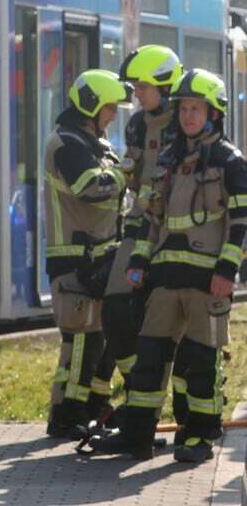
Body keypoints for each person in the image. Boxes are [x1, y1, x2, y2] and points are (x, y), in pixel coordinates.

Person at [90, 69, 246, 462]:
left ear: (214, 113)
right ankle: (136, 437)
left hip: (208, 283)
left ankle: (199, 438)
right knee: (148, 363)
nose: (188, 116)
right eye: (184, 109)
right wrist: (139, 262)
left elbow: (242, 223)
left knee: (200, 365)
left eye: (196, 109)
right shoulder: (170, 161)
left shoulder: (231, 162)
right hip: (164, 280)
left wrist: (227, 272)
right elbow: (152, 219)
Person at [92, 46, 182, 420]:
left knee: (165, 327)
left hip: (170, 233)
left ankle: (167, 411)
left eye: (143, 86)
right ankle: (136, 386)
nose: (136, 95)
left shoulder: (185, 122)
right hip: (137, 228)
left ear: (164, 85)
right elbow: (132, 170)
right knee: (115, 308)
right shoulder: (137, 124)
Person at [43, 69, 131, 439]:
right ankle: (66, 413)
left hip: (100, 258)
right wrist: (128, 174)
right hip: (74, 262)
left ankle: (94, 405)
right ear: (92, 105)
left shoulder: (95, 142)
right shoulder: (66, 144)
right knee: (79, 341)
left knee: (102, 339)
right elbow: (89, 187)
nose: (113, 114)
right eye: (109, 107)